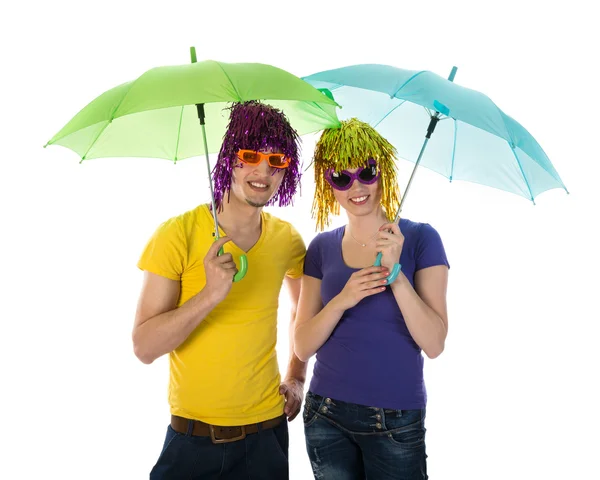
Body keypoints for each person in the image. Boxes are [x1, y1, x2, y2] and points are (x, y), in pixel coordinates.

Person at [133, 101, 307, 479]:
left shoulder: (287, 240)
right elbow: (144, 347)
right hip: (192, 441)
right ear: (230, 158)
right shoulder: (176, 234)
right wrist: (209, 295)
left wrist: (296, 377)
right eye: (250, 155)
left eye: (276, 160)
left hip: (266, 440)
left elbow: (303, 310)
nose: (263, 170)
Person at [294, 118, 450, 480]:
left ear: (385, 171)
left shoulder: (422, 239)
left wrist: (396, 275)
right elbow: (302, 345)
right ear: (326, 183)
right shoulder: (320, 247)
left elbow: (435, 343)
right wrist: (342, 299)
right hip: (326, 416)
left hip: (395, 419)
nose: (356, 186)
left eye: (367, 171)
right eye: (341, 177)